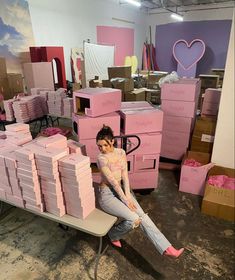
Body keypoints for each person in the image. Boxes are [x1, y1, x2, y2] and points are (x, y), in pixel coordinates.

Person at [96, 125, 184, 258]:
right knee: (134, 219)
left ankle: (167, 248)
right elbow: (113, 182)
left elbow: (124, 176)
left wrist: (128, 196)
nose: (102, 149)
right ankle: (113, 234)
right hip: (107, 195)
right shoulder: (101, 158)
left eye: (104, 145)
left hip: (121, 191)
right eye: (99, 146)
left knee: (142, 216)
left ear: (112, 141)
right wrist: (126, 200)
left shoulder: (121, 153)